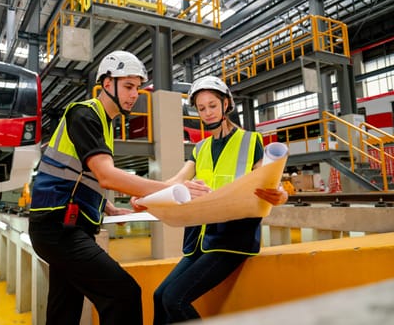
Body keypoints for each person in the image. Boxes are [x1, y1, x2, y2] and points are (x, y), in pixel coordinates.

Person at [28, 50, 173, 325]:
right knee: (124, 294)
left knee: (64, 308)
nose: (134, 94)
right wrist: (165, 189)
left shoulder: (105, 124)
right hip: (58, 229)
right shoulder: (84, 114)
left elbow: (81, 177)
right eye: (128, 86)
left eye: (137, 88)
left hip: (68, 227)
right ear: (107, 84)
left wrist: (105, 206)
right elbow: (106, 176)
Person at [139, 76, 288, 324]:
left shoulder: (251, 141)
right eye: (201, 108)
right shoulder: (200, 148)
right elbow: (176, 180)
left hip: (232, 240)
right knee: (159, 295)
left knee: (174, 299)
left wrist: (280, 195)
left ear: (226, 103)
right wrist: (145, 195)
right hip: (200, 240)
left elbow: (271, 183)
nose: (207, 113)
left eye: (212, 105)